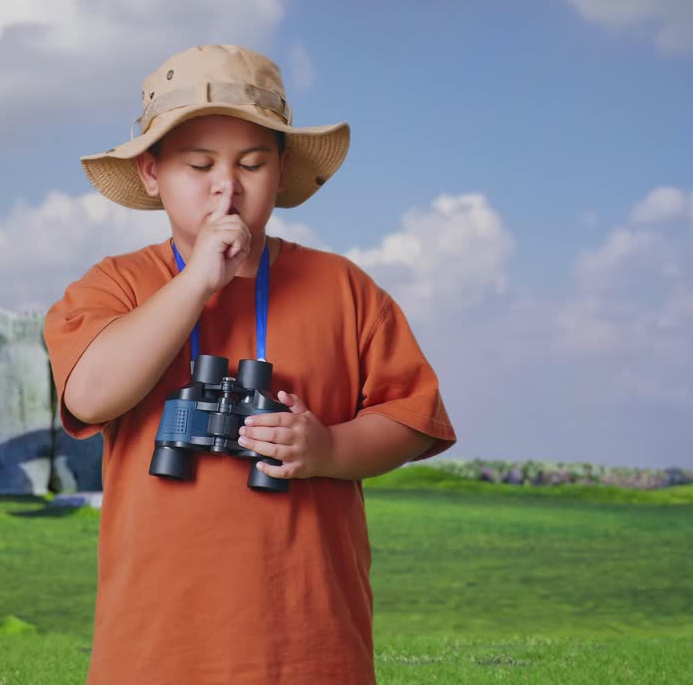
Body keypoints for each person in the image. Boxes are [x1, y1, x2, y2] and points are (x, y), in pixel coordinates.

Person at [44, 43, 456, 684]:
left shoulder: (343, 290)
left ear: (282, 170)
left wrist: (327, 450)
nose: (225, 187)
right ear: (151, 173)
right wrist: (196, 284)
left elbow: (414, 417)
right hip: (154, 652)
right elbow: (92, 395)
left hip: (311, 648)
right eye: (198, 164)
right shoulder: (114, 287)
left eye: (253, 163)